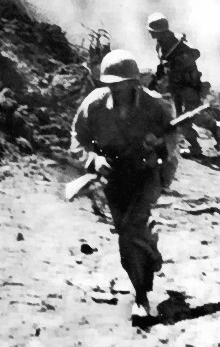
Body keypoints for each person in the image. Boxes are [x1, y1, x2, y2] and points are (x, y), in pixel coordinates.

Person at [71, 49, 178, 318]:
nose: (116, 91)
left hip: (146, 175)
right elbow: (77, 139)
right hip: (114, 177)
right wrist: (93, 159)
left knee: (130, 230)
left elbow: (174, 141)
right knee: (125, 236)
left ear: (134, 83)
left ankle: (141, 299)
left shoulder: (155, 106)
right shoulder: (94, 106)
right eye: (111, 85)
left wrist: (160, 149)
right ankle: (148, 254)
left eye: (122, 85)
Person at [146, 12, 220, 156]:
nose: (150, 34)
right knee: (180, 120)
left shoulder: (178, 41)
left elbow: (195, 54)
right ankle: (195, 147)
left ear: (158, 31)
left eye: (152, 31)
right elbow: (163, 65)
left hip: (188, 85)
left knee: (192, 115)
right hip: (176, 86)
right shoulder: (160, 45)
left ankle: (215, 126)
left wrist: (178, 62)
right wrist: (156, 78)